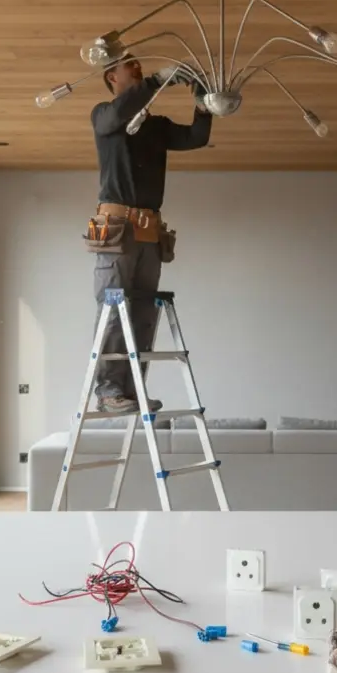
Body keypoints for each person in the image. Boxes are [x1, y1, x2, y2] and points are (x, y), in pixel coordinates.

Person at [86, 55, 211, 413]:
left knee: (143, 313)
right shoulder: (103, 115)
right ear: (112, 76)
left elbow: (196, 137)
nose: (138, 66)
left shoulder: (154, 128)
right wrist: (156, 81)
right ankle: (109, 391)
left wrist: (204, 99)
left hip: (149, 234)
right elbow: (116, 115)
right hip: (116, 230)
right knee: (113, 308)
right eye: (131, 65)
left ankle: (133, 388)